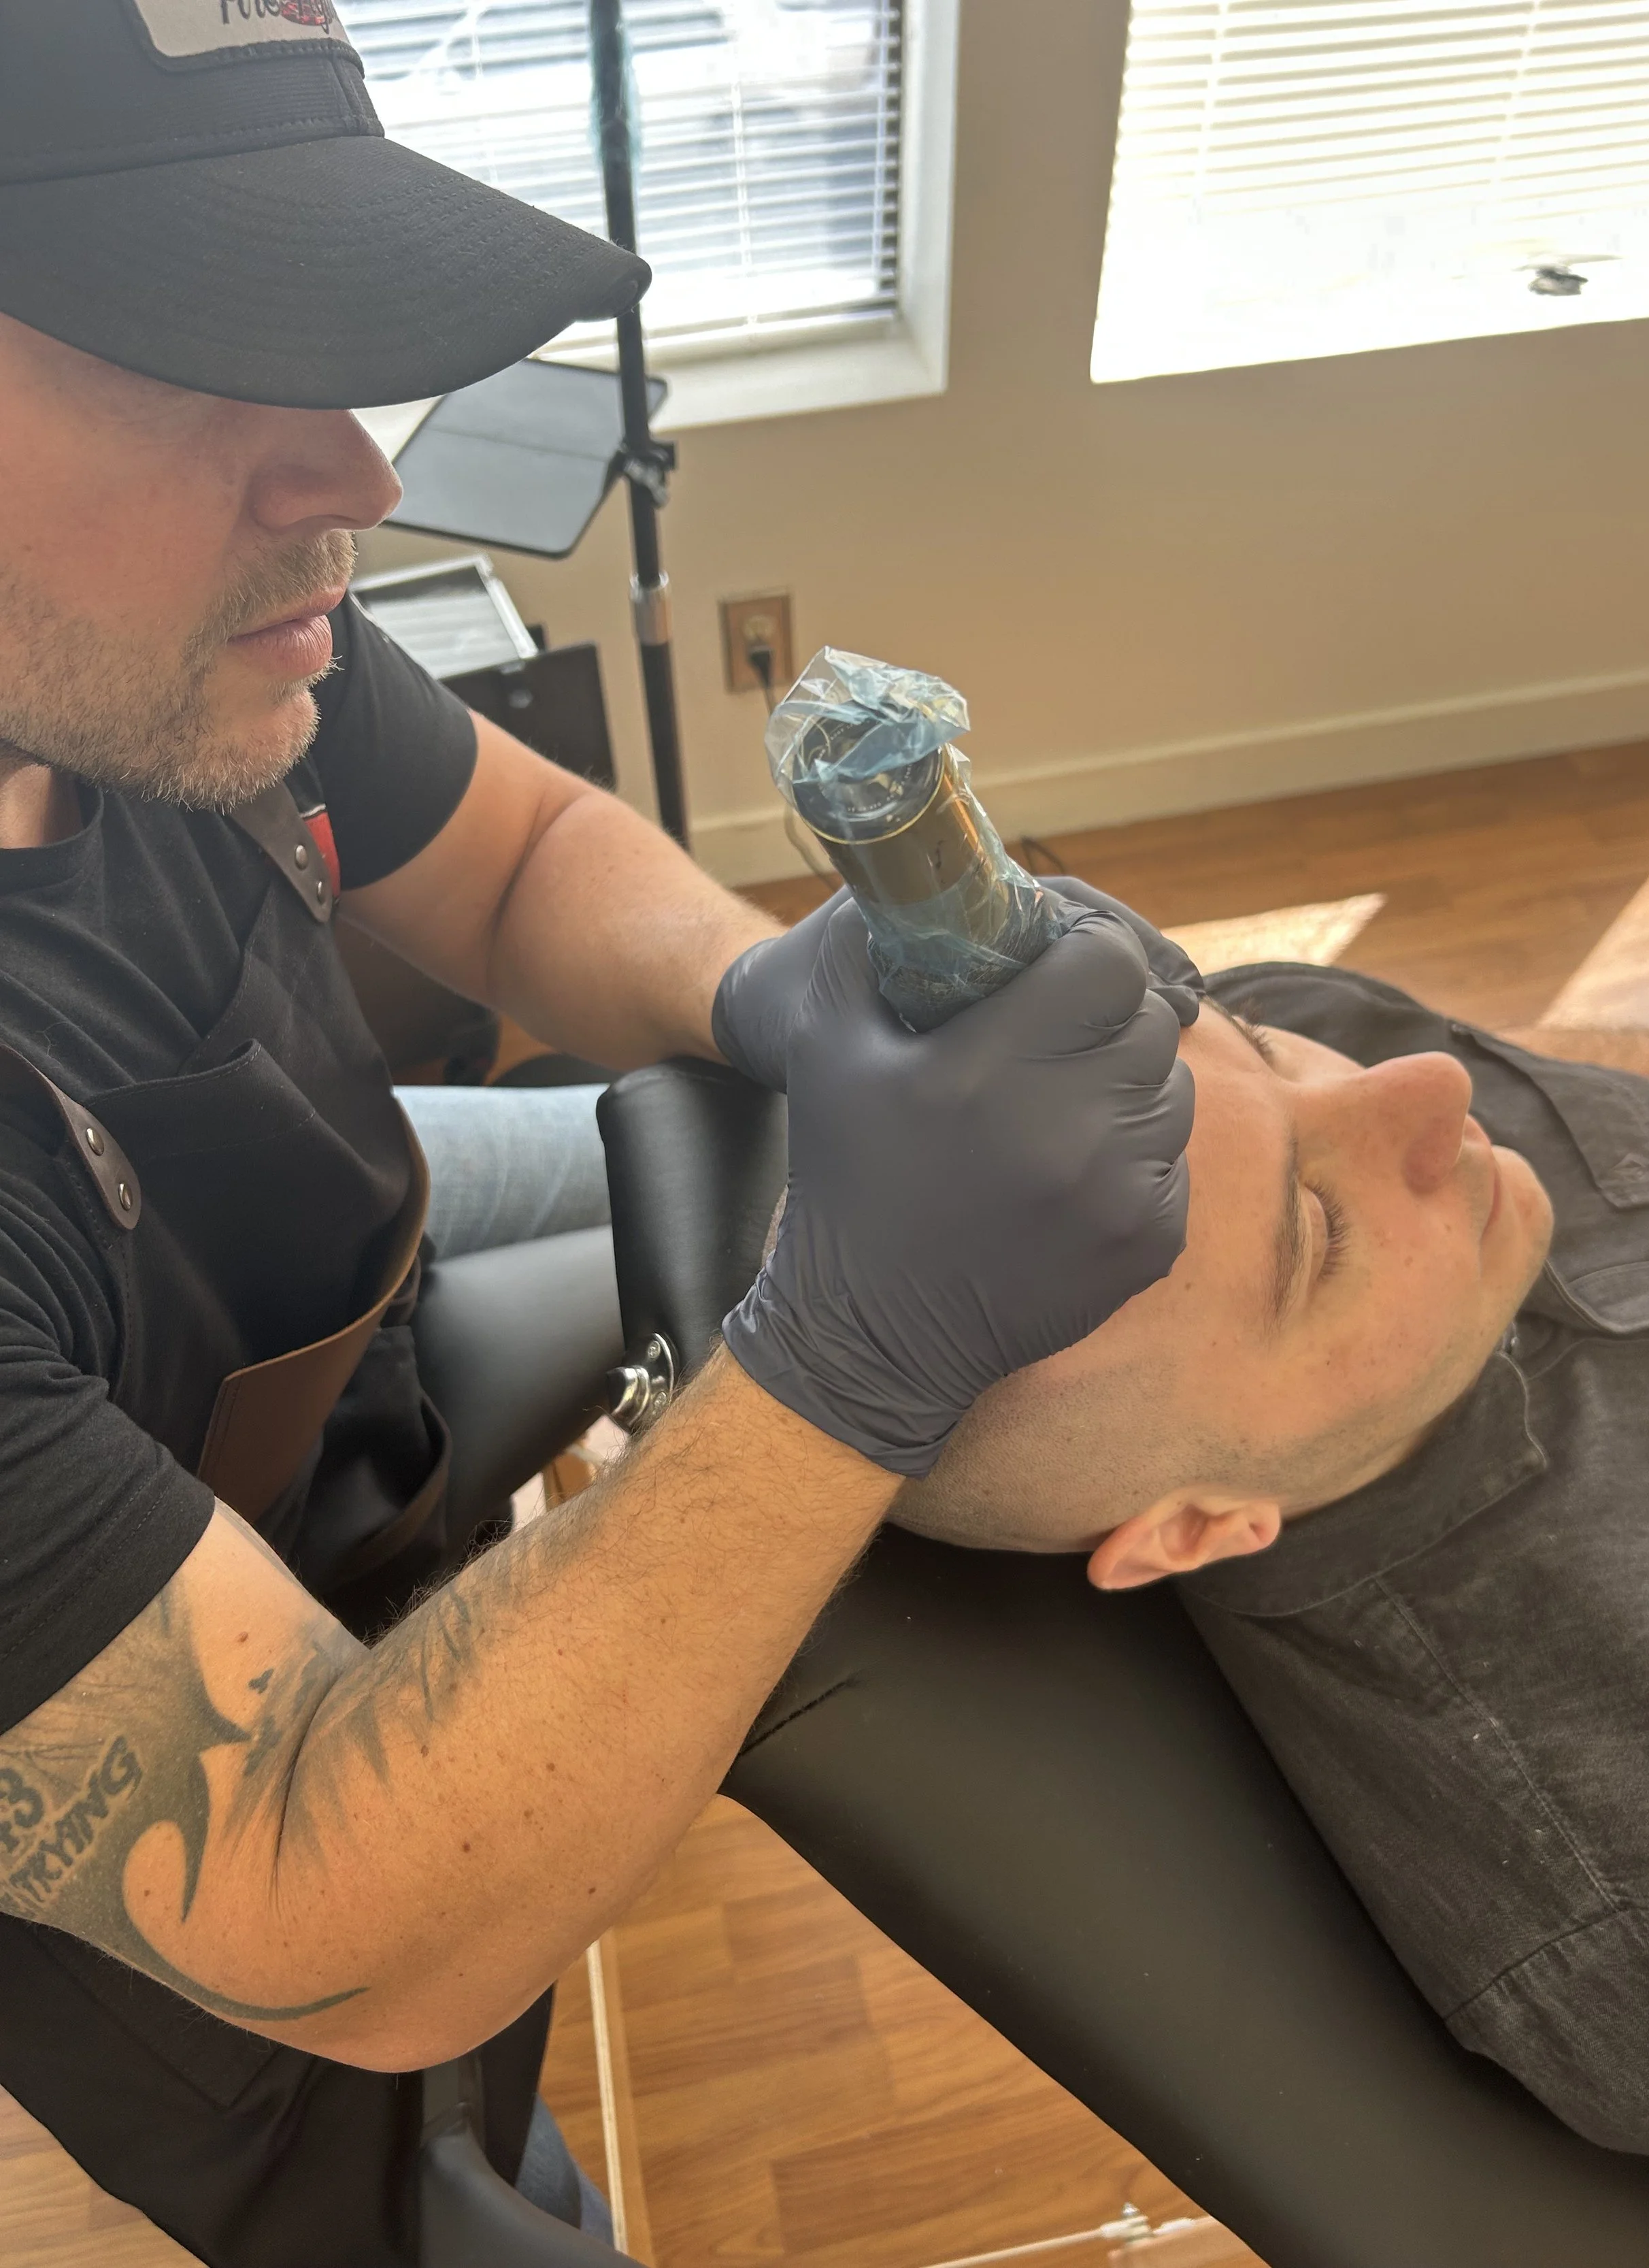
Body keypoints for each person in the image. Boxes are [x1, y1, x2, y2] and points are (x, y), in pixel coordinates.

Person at [0, 10, 1200, 2263]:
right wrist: (839, 1364)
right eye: (195, 359)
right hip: (187, 1785)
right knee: (445, 2171)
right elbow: (331, 1896)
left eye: (326, 350)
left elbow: (525, 854)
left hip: (333, 1254)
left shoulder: (170, 641)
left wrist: (766, 997)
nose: (348, 475)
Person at [898, 956, 1649, 2175]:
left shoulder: (1300, 1057)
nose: (1424, 1087)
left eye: (1260, 1048)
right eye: (1319, 1234)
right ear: (1198, 1526)